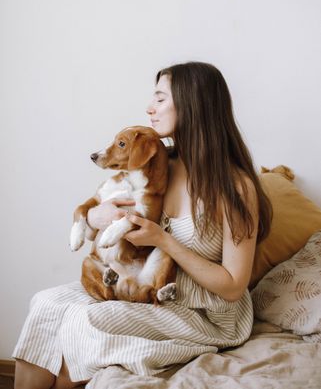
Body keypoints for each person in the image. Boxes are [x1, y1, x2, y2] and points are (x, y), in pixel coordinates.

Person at [13, 61, 272, 389]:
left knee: (84, 319)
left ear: (193, 103)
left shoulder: (235, 187)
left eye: (160, 99)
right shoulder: (159, 164)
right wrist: (95, 216)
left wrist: (163, 241)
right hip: (137, 287)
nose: (150, 108)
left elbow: (234, 286)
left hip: (204, 311)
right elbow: (103, 216)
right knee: (46, 304)